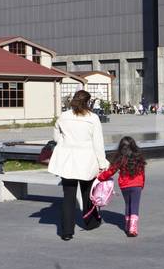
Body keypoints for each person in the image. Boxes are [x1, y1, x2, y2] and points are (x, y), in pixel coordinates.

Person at [48, 89, 109, 241]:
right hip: (87, 159)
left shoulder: (64, 116)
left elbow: (56, 136)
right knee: (88, 193)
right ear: (88, 102)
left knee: (68, 196)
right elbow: (98, 143)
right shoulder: (92, 118)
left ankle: (67, 231)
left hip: (68, 160)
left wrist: (65, 143)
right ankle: (90, 223)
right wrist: (102, 163)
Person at [97, 136, 146, 237]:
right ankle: (133, 228)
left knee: (128, 204)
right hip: (137, 185)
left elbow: (111, 171)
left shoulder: (120, 158)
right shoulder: (138, 157)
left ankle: (128, 225)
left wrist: (100, 177)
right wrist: (142, 184)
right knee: (134, 205)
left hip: (125, 186)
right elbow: (142, 172)